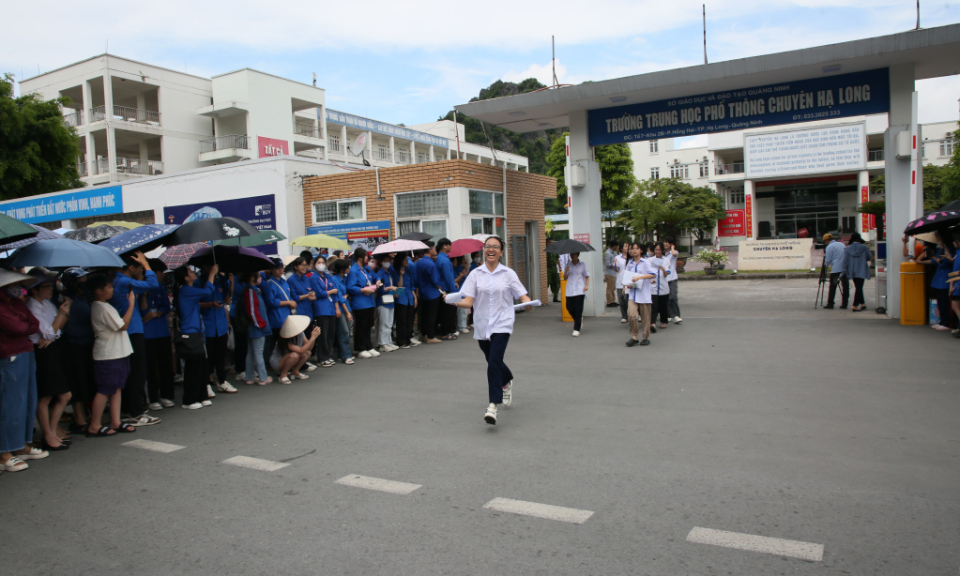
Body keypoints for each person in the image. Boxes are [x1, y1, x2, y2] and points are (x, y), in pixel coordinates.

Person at [454, 236, 532, 425]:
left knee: (494, 362)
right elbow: (468, 301)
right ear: (484, 250)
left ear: (501, 252)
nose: (491, 249)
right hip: (482, 324)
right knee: (492, 359)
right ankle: (506, 381)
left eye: (495, 247)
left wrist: (527, 302)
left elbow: (522, 295)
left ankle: (492, 405)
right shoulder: (475, 274)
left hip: (502, 323)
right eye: (488, 246)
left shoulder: (508, 273)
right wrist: (452, 301)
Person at [0, 269, 47, 472]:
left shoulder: (16, 303)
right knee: (11, 404)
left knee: (28, 400)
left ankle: (21, 445)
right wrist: (22, 325)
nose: (18, 288)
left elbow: (33, 324)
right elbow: (20, 327)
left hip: (26, 351)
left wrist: (22, 325)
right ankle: (5, 452)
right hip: (9, 354)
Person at [111, 252, 161, 427]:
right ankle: (136, 412)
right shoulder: (124, 282)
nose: (142, 269)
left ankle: (129, 409)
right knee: (137, 373)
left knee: (130, 371)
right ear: (131, 267)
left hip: (128, 329)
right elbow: (153, 283)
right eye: (139, 266)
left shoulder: (117, 281)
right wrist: (147, 265)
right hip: (132, 329)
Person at [26, 268, 73, 451]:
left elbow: (56, 331)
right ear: (35, 289)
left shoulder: (47, 303)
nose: (50, 289)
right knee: (45, 396)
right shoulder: (32, 306)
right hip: (41, 351)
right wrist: (59, 318)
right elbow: (47, 332)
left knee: (63, 394)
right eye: (46, 286)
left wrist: (57, 322)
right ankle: (48, 434)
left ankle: (52, 431)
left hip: (52, 348)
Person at [86, 273, 137, 436]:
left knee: (116, 388)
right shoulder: (100, 307)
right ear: (98, 291)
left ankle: (116, 421)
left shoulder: (105, 306)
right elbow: (122, 326)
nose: (111, 289)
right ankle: (95, 424)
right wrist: (131, 305)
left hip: (118, 352)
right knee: (105, 389)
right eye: (108, 287)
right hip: (109, 355)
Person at [174, 265, 218, 409]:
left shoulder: (188, 291)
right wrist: (211, 273)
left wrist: (211, 304)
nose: (194, 272)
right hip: (190, 331)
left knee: (201, 365)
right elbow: (207, 291)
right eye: (191, 272)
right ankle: (189, 400)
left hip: (196, 331)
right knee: (193, 367)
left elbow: (198, 303)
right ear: (186, 278)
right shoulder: (187, 290)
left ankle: (201, 395)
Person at [58, 268, 96, 433]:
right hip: (74, 346)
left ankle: (86, 414)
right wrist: (92, 330)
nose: (85, 282)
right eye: (81, 279)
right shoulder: (69, 301)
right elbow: (69, 328)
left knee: (85, 380)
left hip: (86, 344)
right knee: (78, 382)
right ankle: (79, 417)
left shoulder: (82, 299)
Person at [142, 260, 176, 409]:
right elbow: (141, 310)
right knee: (150, 366)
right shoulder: (141, 287)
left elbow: (166, 306)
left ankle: (167, 395)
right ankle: (153, 397)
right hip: (146, 332)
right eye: (161, 272)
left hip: (161, 329)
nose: (163, 275)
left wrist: (156, 314)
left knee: (165, 364)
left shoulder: (160, 287)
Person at [197, 266, 233, 396]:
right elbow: (197, 303)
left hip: (221, 325)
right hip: (208, 325)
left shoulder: (222, 280)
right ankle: (206, 383)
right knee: (208, 357)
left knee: (221, 355)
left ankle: (222, 382)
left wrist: (231, 283)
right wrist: (211, 304)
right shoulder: (199, 281)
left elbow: (227, 300)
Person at [263, 258, 297, 370]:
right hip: (276, 319)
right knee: (276, 345)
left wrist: (291, 302)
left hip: (286, 317)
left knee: (286, 345)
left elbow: (289, 295)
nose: (280, 270)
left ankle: (286, 364)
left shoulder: (284, 281)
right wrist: (288, 302)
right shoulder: (270, 284)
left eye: (282, 267)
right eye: (277, 268)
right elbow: (271, 302)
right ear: (271, 269)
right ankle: (274, 365)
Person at [240, 271, 272, 385]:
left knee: (251, 353)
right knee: (258, 352)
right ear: (253, 278)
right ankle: (263, 377)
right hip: (257, 327)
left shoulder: (251, 290)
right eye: (258, 276)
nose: (260, 278)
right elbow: (252, 312)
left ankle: (249, 377)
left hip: (253, 326)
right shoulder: (250, 291)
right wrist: (261, 324)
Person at [347, 247, 380, 358]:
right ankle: (360, 348)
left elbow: (375, 276)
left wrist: (378, 280)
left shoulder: (366, 269)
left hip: (370, 301)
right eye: (366, 256)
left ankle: (368, 346)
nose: (368, 258)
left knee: (368, 325)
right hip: (360, 302)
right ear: (360, 258)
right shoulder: (353, 270)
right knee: (361, 326)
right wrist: (362, 289)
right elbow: (350, 287)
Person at [624, 242, 656, 347]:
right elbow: (627, 276)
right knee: (631, 314)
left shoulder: (645, 263)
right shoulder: (630, 263)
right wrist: (627, 285)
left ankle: (646, 337)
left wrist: (640, 277)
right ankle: (634, 336)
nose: (634, 250)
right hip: (633, 293)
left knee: (645, 317)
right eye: (632, 248)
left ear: (641, 250)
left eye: (636, 249)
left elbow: (652, 274)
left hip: (644, 294)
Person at [273, 315, 321, 384]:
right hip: (278, 361)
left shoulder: (300, 333)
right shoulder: (287, 337)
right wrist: (312, 338)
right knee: (294, 355)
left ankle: (295, 372)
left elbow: (309, 348)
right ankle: (283, 374)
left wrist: (313, 337)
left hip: (290, 357)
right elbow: (301, 350)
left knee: (307, 353)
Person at [310, 258, 339, 366]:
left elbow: (336, 292)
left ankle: (328, 355)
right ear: (314, 264)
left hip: (330, 307)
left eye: (323, 263)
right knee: (323, 334)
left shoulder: (328, 276)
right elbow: (319, 293)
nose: (321, 265)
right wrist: (331, 291)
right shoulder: (314, 278)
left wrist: (336, 308)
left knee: (331, 333)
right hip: (321, 309)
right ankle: (322, 358)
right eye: (318, 263)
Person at [415, 241, 443, 344]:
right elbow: (435, 280)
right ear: (430, 250)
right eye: (434, 248)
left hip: (422, 292)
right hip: (432, 293)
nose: (435, 251)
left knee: (425, 315)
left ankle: (425, 335)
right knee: (432, 315)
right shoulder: (430, 263)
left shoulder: (419, 262)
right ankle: (430, 336)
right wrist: (440, 289)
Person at [929, 230, 956, 331]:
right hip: (939, 277)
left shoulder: (948, 249)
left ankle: (947, 322)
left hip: (945, 277)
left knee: (945, 302)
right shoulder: (940, 248)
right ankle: (942, 320)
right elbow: (937, 262)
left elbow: (945, 263)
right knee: (941, 301)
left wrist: (936, 257)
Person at [330, 258, 355, 364]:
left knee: (347, 331)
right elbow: (339, 297)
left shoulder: (344, 278)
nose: (349, 268)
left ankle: (343, 353)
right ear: (342, 269)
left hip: (347, 306)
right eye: (347, 267)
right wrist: (347, 311)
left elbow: (345, 294)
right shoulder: (335, 279)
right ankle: (346, 355)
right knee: (343, 331)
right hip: (341, 308)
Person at [374, 254, 399, 353]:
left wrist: (395, 292)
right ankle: (382, 344)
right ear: (381, 262)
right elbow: (380, 289)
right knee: (383, 323)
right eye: (385, 260)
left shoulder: (390, 272)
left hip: (390, 300)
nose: (388, 262)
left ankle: (388, 341)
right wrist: (390, 288)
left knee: (389, 323)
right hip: (382, 301)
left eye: (389, 260)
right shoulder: (380, 274)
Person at [435, 238, 459, 340]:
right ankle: (445, 333)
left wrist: (454, 283)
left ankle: (449, 331)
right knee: (448, 312)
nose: (450, 247)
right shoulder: (444, 260)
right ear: (444, 245)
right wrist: (453, 289)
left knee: (446, 312)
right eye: (449, 245)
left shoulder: (440, 257)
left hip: (444, 288)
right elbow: (448, 277)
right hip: (447, 289)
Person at [844, 233, 873, 312]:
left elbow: (845, 261)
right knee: (859, 288)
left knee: (858, 287)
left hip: (852, 270)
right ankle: (855, 305)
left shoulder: (848, 249)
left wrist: (844, 271)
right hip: (861, 269)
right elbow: (869, 257)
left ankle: (862, 303)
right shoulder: (864, 248)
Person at [563, 252, 589, 336]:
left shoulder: (582, 265)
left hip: (579, 289)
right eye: (571, 255)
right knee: (569, 307)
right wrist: (565, 271)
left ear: (577, 255)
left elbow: (586, 276)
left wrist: (586, 285)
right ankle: (578, 320)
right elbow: (565, 278)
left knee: (578, 309)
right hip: (570, 289)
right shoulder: (568, 264)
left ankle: (576, 329)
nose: (572, 256)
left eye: (574, 254)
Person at [394, 254, 418, 348]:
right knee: (401, 320)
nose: (407, 261)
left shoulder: (408, 270)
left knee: (409, 320)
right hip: (401, 298)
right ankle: (401, 341)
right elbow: (399, 287)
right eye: (405, 259)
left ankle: (408, 339)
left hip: (409, 297)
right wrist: (401, 274)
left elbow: (411, 285)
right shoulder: (396, 271)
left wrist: (415, 297)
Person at [822, 233, 848, 309]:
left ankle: (830, 303)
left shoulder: (829, 247)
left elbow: (828, 260)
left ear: (826, 240)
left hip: (836, 269)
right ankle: (845, 303)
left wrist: (826, 264)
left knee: (833, 287)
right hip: (844, 268)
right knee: (845, 287)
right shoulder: (842, 244)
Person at [649, 243, 671, 329]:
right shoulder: (650, 260)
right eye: (656, 250)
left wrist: (663, 270)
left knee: (663, 305)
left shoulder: (666, 260)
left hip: (663, 286)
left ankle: (663, 321)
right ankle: (653, 322)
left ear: (662, 251)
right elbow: (647, 272)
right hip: (653, 286)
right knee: (653, 305)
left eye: (659, 250)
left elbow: (666, 274)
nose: (657, 252)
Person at [662, 237, 682, 323]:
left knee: (673, 296)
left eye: (667, 242)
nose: (665, 244)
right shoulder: (662, 254)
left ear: (671, 244)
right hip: (664, 278)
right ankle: (669, 314)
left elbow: (674, 254)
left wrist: (673, 248)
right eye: (664, 242)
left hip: (672, 278)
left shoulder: (674, 253)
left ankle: (676, 315)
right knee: (666, 298)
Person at [453, 256, 470, 334]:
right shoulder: (457, 269)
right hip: (460, 292)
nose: (465, 260)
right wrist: (461, 276)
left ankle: (463, 325)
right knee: (461, 311)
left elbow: (468, 278)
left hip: (465, 292)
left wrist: (466, 268)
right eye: (463, 259)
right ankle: (461, 326)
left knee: (465, 311)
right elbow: (457, 281)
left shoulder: (463, 267)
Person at [615, 242, 630, 324]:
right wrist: (615, 264)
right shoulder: (617, 258)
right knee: (621, 299)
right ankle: (624, 316)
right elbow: (617, 270)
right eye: (625, 246)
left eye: (628, 246)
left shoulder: (631, 257)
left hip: (629, 282)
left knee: (628, 299)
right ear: (621, 248)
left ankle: (631, 314)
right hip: (620, 281)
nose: (627, 248)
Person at [603, 239, 620, 307]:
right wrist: (614, 265)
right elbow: (607, 264)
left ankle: (613, 300)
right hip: (609, 273)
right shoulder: (608, 253)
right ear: (614, 246)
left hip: (613, 273)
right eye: (616, 246)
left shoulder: (614, 253)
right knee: (609, 288)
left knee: (613, 288)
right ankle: (609, 302)